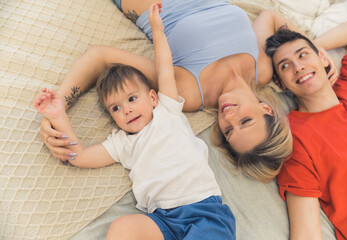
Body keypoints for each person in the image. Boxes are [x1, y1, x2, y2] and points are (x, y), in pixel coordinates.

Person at [39, 0, 336, 181]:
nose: (228, 117)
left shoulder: (189, 93)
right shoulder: (263, 69)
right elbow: (269, 16)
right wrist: (310, 46)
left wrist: (59, 106)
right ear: (266, 109)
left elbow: (100, 57)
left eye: (229, 131)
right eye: (245, 120)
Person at [34, 3, 235, 240]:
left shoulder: (167, 110)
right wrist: (58, 115)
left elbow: (164, 70)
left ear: (152, 98)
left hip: (202, 212)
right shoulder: (121, 144)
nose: (127, 110)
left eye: (131, 99)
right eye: (116, 108)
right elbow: (82, 157)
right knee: (122, 228)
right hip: (162, 221)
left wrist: (157, 31)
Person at [265, 17, 347, 240]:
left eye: (303, 55)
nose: (299, 67)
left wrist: (319, 47)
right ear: (280, 83)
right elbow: (306, 233)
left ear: (322, 57)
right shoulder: (295, 139)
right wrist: (310, 54)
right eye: (285, 66)